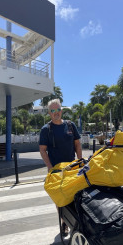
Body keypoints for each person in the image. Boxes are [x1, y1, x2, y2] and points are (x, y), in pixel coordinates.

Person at [39, 99, 82, 236]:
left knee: (75, 196)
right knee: (60, 199)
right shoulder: (46, 129)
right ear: (49, 113)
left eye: (58, 110)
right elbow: (42, 150)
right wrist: (50, 168)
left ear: (61, 111)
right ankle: (64, 222)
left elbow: (77, 145)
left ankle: (77, 220)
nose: (56, 113)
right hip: (57, 171)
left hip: (72, 168)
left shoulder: (70, 125)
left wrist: (80, 162)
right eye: (53, 111)